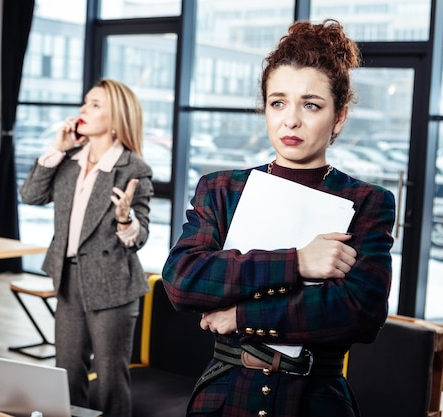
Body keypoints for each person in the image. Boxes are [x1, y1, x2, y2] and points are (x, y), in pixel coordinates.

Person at [162, 19, 395, 417]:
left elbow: (360, 312)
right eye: (278, 102)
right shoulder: (222, 189)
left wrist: (239, 314)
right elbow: (183, 281)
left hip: (316, 400)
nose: (291, 120)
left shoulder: (367, 201)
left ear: (338, 117)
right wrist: (298, 261)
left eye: (311, 105)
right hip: (223, 395)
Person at [19, 78, 154, 417]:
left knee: (110, 378)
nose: (83, 110)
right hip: (68, 278)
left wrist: (125, 219)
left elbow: (140, 237)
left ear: (116, 117)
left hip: (112, 283)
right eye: (84, 103)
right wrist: (57, 148)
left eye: (95, 105)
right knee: (67, 371)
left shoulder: (132, 168)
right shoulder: (68, 160)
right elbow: (30, 196)